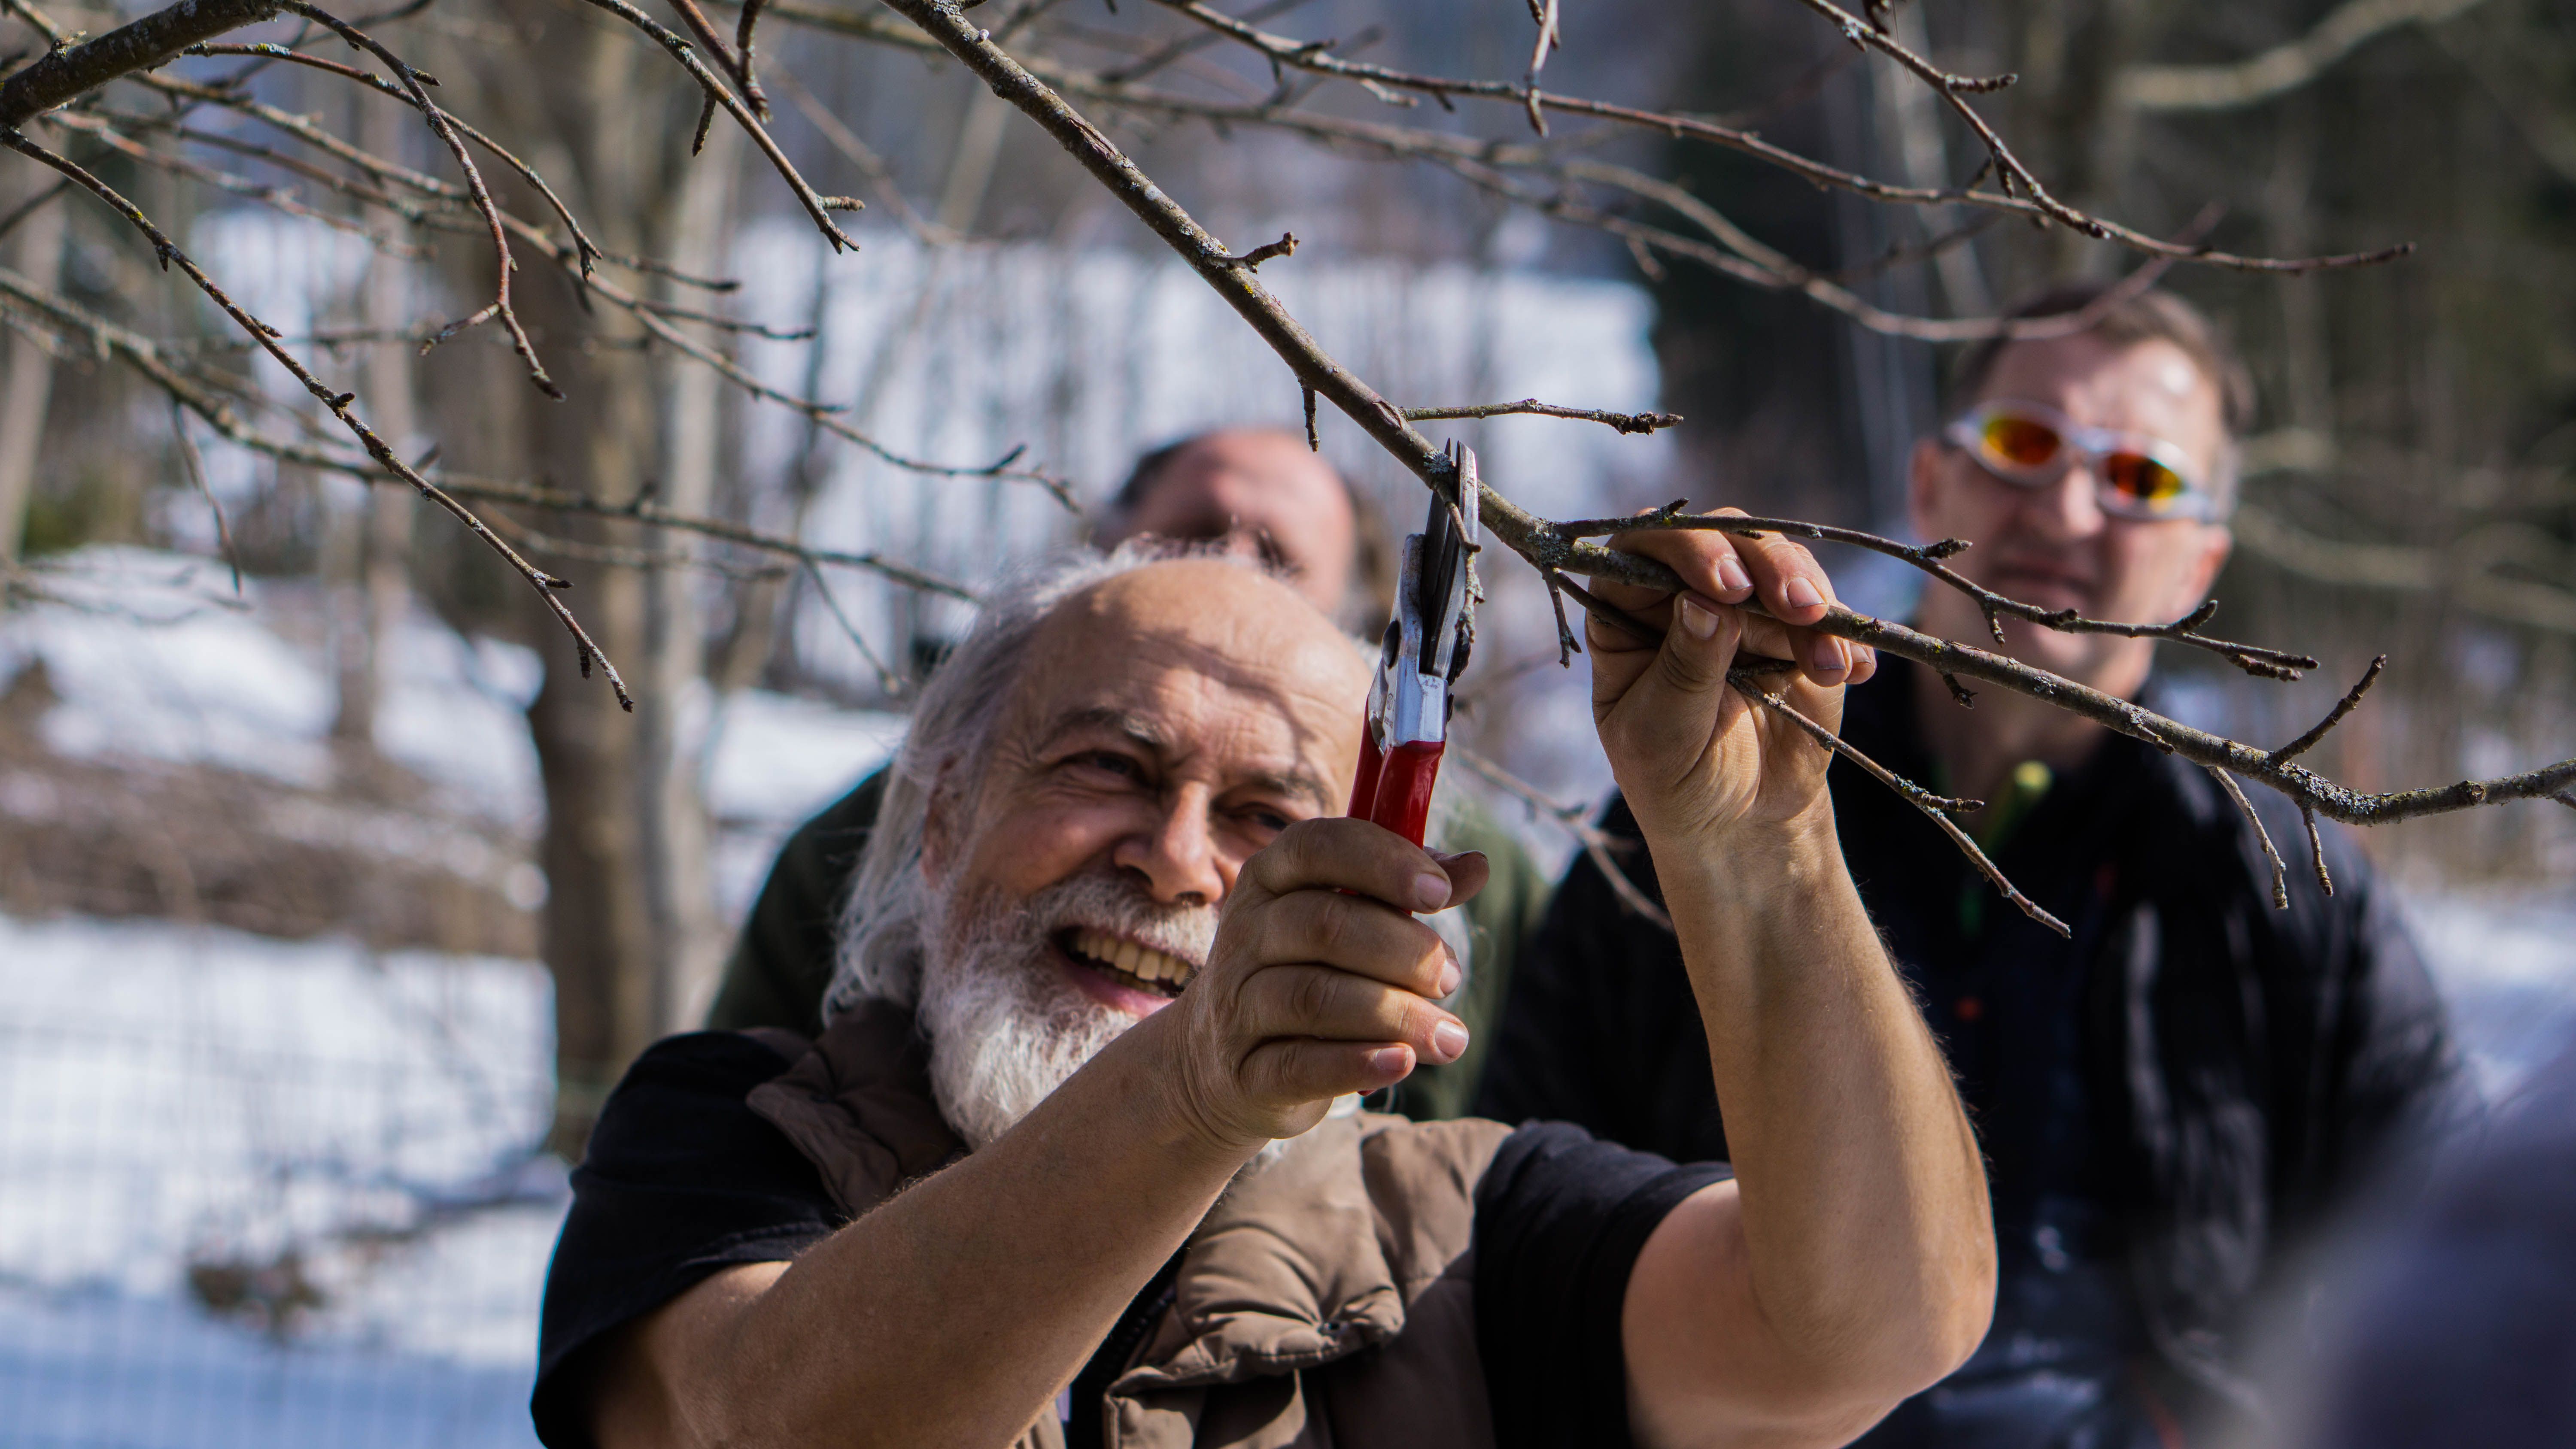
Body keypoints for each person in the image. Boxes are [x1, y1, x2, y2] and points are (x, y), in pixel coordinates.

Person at [534, 536, 1999, 1449]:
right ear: (939, 821)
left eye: (1264, 817)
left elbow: (1870, 1331)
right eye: (1108, 765)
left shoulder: (1468, 1236)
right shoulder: (731, 1130)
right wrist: (1190, 1090)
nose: (1178, 860)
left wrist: (1761, 850)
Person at [1475, 284, 2467, 1446]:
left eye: (2140, 479)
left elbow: (2452, 1262)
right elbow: (1513, 1213)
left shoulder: (2275, 882)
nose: (2069, 503)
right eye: (2023, 443)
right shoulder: (1721, 786)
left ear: (2202, 565)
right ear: (1928, 486)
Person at [706, 426, 1546, 1120]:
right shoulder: (879, 823)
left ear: (1362, 627)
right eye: (1192, 536)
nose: (1227, 571)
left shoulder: (1475, 876)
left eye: (1279, 562)